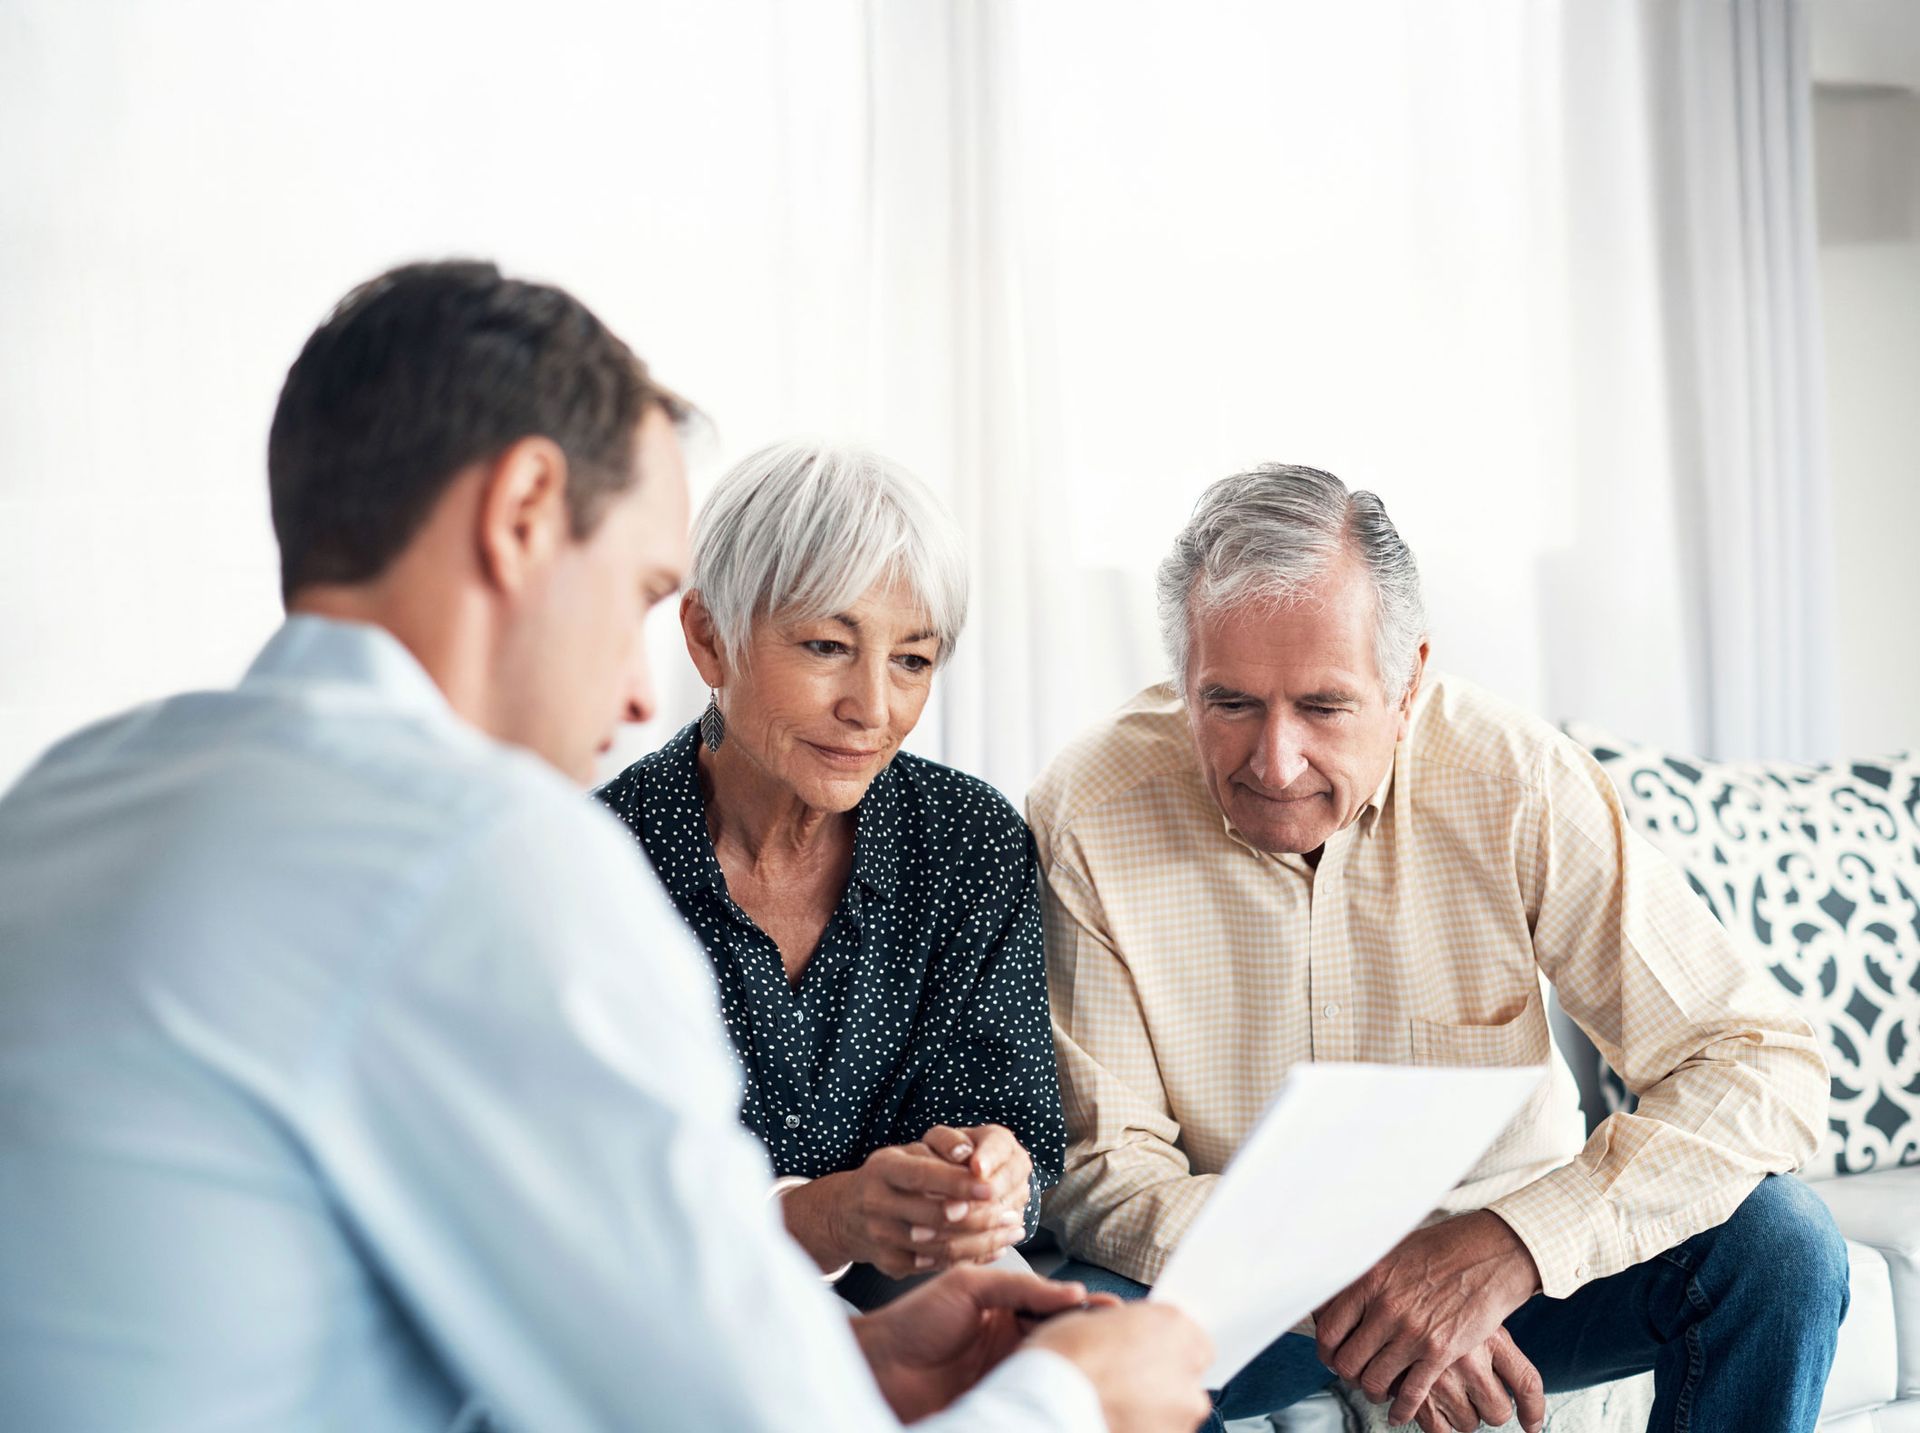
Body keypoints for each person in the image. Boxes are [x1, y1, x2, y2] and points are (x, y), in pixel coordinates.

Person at [0, 259, 1211, 1433]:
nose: (640, 698)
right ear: (524, 512)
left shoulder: (70, 795)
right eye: (639, 594)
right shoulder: (483, 855)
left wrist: (851, 1357)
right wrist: (1078, 1399)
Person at [1031, 464, 1848, 1433]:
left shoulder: (1514, 778)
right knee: (1076, 1367)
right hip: (1247, 1290)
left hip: (1508, 1270)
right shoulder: (1089, 812)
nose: (1275, 759)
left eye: (1325, 706)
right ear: (1181, 676)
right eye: (1232, 702)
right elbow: (1104, 1174)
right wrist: (1357, 1284)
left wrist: (1510, 1246)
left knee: (1781, 1245)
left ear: (1408, 680)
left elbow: (1760, 1059)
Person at [595, 440, 1063, 1303]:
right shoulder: (595, 862)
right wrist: (824, 1216)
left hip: (926, 1294)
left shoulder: (969, 841)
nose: (872, 708)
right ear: (709, 638)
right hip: (672, 1317)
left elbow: (1018, 1121)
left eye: (912, 660)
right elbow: (594, 1205)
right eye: (824, 645)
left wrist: (992, 1176)